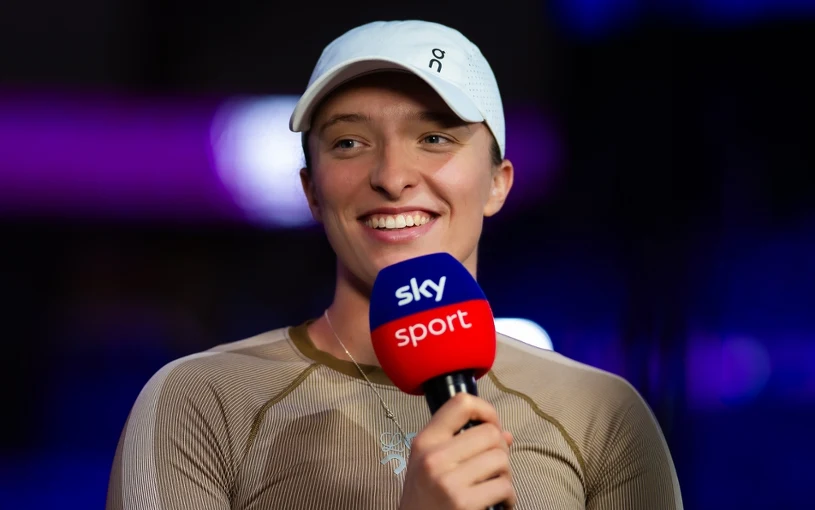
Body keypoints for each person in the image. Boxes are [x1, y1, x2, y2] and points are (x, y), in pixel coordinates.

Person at [106, 20, 683, 510]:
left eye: (434, 137)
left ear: (497, 183)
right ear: (312, 191)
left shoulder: (601, 415)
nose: (391, 176)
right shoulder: (199, 401)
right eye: (349, 143)